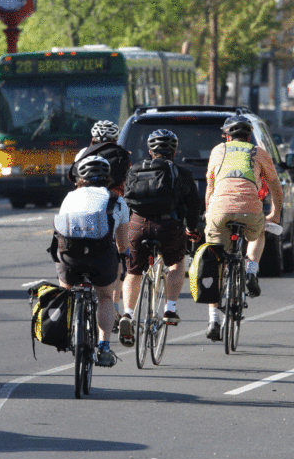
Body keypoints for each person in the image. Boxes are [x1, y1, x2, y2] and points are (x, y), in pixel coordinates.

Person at [119, 129, 201, 347]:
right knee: (175, 264)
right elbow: (194, 206)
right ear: (174, 151)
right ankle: (170, 309)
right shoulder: (181, 173)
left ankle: (127, 314)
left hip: (137, 224)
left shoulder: (134, 169)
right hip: (168, 225)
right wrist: (192, 229)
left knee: (133, 271)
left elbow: (126, 201)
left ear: (149, 151)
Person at [203, 115, 282, 341]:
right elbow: (275, 186)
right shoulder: (258, 153)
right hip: (250, 208)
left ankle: (213, 321)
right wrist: (275, 213)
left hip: (220, 209)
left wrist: (209, 211)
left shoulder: (218, 150)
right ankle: (251, 270)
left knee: (217, 260)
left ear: (227, 136)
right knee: (258, 232)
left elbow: (210, 186)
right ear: (249, 137)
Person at [52, 156, 130, 367]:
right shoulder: (117, 201)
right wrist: (125, 258)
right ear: (108, 178)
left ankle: (67, 328)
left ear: (79, 178)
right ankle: (104, 347)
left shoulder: (69, 197)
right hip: (101, 258)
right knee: (105, 297)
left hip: (70, 258)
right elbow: (122, 244)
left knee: (66, 291)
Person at [68, 120, 131, 332]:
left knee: (65, 280)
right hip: (114, 209)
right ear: (115, 139)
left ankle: (66, 318)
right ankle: (112, 305)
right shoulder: (122, 154)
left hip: (80, 212)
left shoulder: (82, 154)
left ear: (93, 138)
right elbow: (128, 185)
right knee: (118, 254)